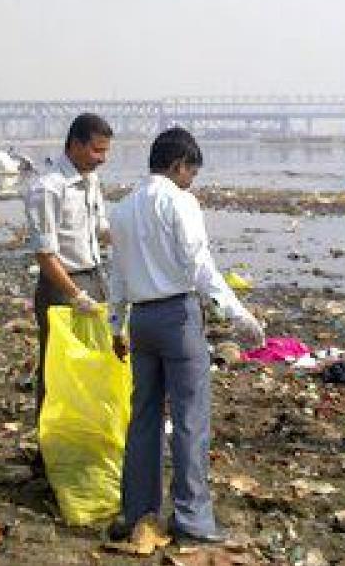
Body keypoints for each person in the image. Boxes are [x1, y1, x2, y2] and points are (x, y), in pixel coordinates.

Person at [107, 127, 264, 544]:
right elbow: (200, 268)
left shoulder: (121, 210)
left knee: (142, 419)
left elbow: (116, 274)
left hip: (140, 321)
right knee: (190, 419)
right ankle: (192, 519)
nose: (191, 181)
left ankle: (137, 512)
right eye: (190, 172)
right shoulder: (181, 202)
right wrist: (237, 313)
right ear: (178, 166)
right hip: (177, 317)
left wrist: (114, 325)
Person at [23, 112, 114, 422]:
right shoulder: (49, 188)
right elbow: (45, 254)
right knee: (57, 368)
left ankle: (84, 436)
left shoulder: (90, 180)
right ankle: (50, 449)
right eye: (97, 150)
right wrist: (75, 295)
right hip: (62, 286)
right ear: (75, 145)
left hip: (94, 276)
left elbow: (101, 230)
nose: (102, 159)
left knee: (92, 364)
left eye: (105, 152)